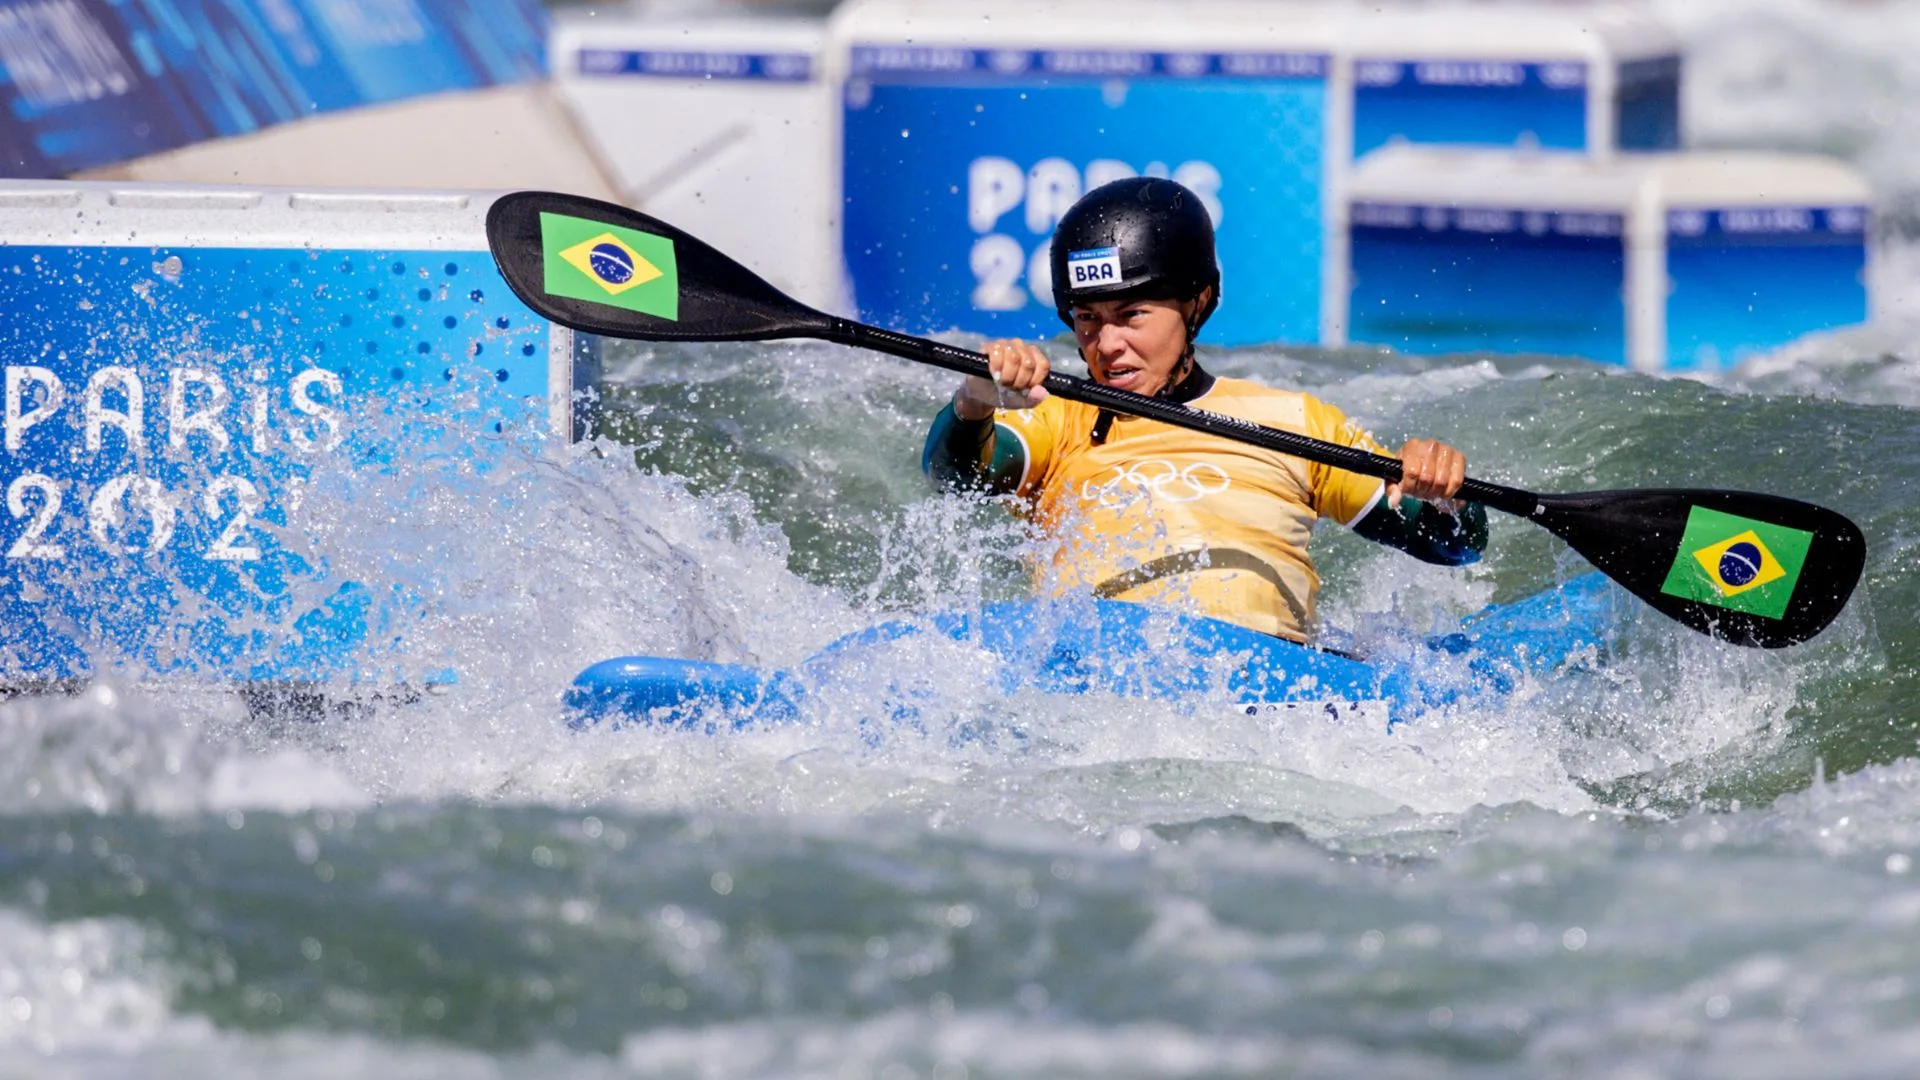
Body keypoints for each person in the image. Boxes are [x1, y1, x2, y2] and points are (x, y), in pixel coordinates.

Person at [922, 176, 1487, 645]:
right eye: (1087, 318)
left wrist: (1444, 498)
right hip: (1098, 673)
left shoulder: (1296, 421)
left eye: (1132, 313)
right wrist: (974, 401)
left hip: (1269, 680)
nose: (1107, 342)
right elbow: (960, 477)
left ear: (1198, 302)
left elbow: (1449, 547)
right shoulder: (1052, 414)